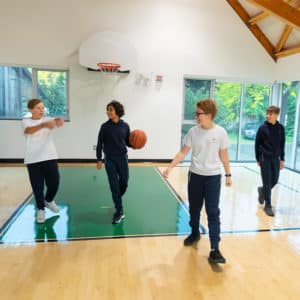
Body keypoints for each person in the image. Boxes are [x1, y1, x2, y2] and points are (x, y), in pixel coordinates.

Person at [163, 99, 231, 264]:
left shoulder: (221, 133)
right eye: (196, 113)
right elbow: (182, 152)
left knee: (213, 212)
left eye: (199, 113)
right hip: (195, 176)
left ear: (209, 115)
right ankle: (194, 233)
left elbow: (224, 154)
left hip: (213, 177)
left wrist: (228, 174)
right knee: (194, 209)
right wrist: (170, 167)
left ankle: (215, 249)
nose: (196, 116)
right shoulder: (193, 132)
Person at [22, 98, 64, 223]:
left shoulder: (47, 119)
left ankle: (49, 200)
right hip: (32, 159)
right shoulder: (25, 121)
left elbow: (55, 121)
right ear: (30, 110)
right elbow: (28, 131)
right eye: (38, 108)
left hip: (50, 157)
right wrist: (43, 125)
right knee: (37, 187)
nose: (41, 110)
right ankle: (40, 209)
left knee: (54, 183)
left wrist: (58, 120)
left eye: (42, 107)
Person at [96, 100, 131, 224]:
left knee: (124, 183)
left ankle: (117, 199)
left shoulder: (125, 126)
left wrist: (136, 143)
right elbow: (100, 143)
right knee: (114, 185)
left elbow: (128, 142)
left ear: (117, 111)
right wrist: (99, 159)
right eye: (107, 109)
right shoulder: (105, 127)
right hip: (109, 159)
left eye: (110, 109)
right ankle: (119, 210)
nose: (108, 112)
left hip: (122, 158)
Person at [255, 105, 285, 217]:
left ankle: (262, 190)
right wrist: (258, 158)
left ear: (276, 115)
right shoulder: (262, 128)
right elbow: (257, 144)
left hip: (275, 158)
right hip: (264, 158)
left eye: (270, 114)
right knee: (267, 182)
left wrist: (282, 159)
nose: (268, 115)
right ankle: (268, 205)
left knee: (275, 180)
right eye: (267, 113)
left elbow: (282, 144)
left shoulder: (281, 128)